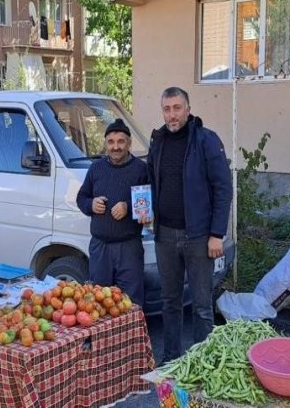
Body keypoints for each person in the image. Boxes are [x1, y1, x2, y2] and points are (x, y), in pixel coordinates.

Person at [147, 87, 232, 362]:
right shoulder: (158, 140)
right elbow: (151, 183)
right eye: (167, 109)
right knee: (169, 302)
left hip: (198, 237)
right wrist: (146, 211)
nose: (172, 115)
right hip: (165, 236)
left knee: (201, 306)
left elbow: (223, 188)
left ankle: (202, 362)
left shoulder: (206, 140)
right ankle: (171, 359)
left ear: (188, 109)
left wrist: (216, 234)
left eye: (176, 108)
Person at [76, 119, 149, 306]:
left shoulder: (141, 169)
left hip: (129, 249)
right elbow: (81, 197)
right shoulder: (96, 168)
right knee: (98, 305)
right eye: (111, 142)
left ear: (129, 143)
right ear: (105, 143)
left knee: (131, 304)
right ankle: (102, 337)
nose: (115, 147)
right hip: (100, 249)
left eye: (121, 141)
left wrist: (128, 207)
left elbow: (147, 211)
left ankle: (131, 336)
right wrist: (91, 204)